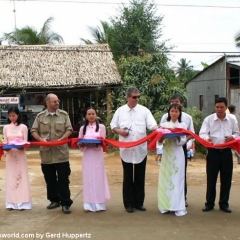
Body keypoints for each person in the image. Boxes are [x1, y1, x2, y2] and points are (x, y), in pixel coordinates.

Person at [110, 86, 158, 213]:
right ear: (127, 97)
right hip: (125, 150)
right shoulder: (120, 111)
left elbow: (152, 125)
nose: (137, 99)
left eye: (138, 97)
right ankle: (128, 204)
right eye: (134, 97)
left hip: (140, 150)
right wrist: (119, 131)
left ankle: (139, 203)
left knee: (140, 176)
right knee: (127, 177)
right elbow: (113, 125)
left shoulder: (144, 111)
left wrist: (159, 130)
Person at [31, 93, 73, 214]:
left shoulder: (64, 115)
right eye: (54, 101)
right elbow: (33, 130)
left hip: (61, 153)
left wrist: (62, 139)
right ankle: (54, 200)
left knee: (63, 179)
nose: (57, 103)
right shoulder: (40, 117)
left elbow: (69, 129)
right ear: (47, 103)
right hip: (46, 154)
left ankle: (65, 203)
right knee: (49, 179)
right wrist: (41, 140)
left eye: (58, 101)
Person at [199, 97, 239, 213]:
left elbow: (237, 133)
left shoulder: (231, 119)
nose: (219, 109)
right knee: (211, 178)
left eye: (222, 107)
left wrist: (233, 137)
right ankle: (209, 203)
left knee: (226, 179)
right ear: (214, 107)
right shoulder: (209, 119)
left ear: (226, 107)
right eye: (217, 107)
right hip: (213, 152)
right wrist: (207, 139)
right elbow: (202, 133)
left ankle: (224, 204)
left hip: (226, 152)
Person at [160, 94, 195, 207]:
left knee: (179, 175)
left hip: (180, 149)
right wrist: (163, 137)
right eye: (172, 104)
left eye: (177, 103)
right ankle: (166, 201)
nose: (174, 112)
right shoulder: (164, 120)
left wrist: (182, 139)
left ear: (181, 105)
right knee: (167, 175)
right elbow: (159, 138)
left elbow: (191, 134)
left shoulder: (186, 120)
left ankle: (180, 200)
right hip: (167, 150)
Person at [78, 107, 110, 212]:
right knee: (88, 179)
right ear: (86, 116)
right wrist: (82, 144)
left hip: (97, 156)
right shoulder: (83, 128)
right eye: (89, 114)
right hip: (87, 155)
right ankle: (88, 205)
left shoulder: (101, 127)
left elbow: (103, 142)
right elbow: (79, 143)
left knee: (98, 178)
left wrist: (96, 145)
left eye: (93, 113)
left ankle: (100, 204)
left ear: (96, 115)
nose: (91, 116)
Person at [158, 103, 187, 216]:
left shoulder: (183, 125)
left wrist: (178, 136)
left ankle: (178, 206)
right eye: (172, 111)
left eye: (176, 111)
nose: (174, 113)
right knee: (166, 179)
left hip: (178, 153)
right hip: (167, 153)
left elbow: (183, 141)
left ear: (180, 113)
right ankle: (165, 205)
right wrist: (162, 137)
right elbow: (159, 141)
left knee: (177, 179)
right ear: (169, 112)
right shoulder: (164, 125)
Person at [3, 107, 32, 211]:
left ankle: (23, 203)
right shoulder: (6, 127)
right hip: (10, 154)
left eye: (14, 115)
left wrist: (22, 146)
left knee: (21, 176)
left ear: (18, 115)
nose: (12, 117)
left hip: (20, 154)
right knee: (11, 177)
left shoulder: (23, 127)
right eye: (10, 115)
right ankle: (11, 203)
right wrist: (6, 148)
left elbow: (25, 142)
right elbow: (5, 142)